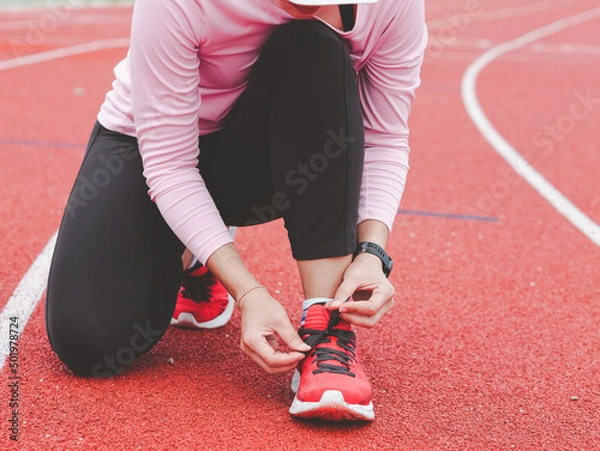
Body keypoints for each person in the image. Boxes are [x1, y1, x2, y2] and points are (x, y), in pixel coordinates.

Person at [46, 0, 427, 422]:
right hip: (152, 151)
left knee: (313, 46)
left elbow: (385, 138)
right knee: (89, 340)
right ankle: (195, 259)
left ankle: (327, 328)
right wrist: (249, 293)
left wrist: (372, 253)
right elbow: (170, 166)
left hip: (261, 158)